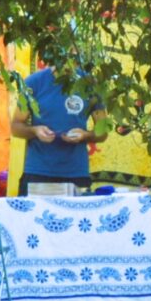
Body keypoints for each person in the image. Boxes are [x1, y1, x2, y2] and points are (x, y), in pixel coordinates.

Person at [17, 49, 106, 195]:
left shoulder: (90, 84)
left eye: (75, 57)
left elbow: (103, 132)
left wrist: (85, 135)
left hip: (76, 172)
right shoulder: (33, 82)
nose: (70, 62)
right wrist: (35, 131)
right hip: (38, 171)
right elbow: (16, 126)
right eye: (65, 56)